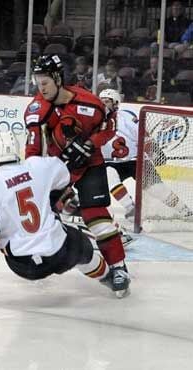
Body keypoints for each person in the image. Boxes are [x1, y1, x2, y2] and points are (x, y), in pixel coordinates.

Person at [0, 132, 117, 296]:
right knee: (83, 248)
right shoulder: (38, 166)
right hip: (58, 251)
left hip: (23, 266)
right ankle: (110, 278)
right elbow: (66, 175)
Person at [23, 54, 130, 295]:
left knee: (98, 219)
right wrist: (38, 174)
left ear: (59, 78)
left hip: (91, 166)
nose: (41, 87)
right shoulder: (37, 110)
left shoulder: (89, 102)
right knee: (44, 217)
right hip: (58, 170)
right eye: (37, 81)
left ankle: (118, 267)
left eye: (45, 81)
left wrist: (91, 144)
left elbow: (108, 125)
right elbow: (32, 149)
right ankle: (48, 260)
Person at [99, 89, 193, 221]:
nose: (103, 104)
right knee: (109, 176)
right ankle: (131, 209)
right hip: (111, 163)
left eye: (106, 101)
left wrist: (154, 152)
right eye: (100, 101)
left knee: (157, 189)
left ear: (115, 103)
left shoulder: (125, 117)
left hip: (135, 160)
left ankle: (184, 211)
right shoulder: (94, 120)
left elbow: (143, 136)